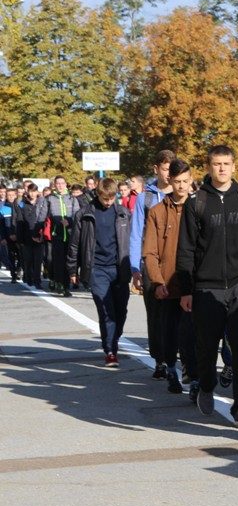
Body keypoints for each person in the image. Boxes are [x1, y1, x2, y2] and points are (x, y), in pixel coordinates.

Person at [176, 145, 238, 429]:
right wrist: (186, 289)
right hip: (206, 287)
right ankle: (206, 385)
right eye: (217, 164)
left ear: (234, 166)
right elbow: (186, 249)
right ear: (209, 167)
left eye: (226, 164)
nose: (222, 169)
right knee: (207, 347)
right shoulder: (196, 202)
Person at [142, 159, 196, 394]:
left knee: (192, 335)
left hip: (194, 284)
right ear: (170, 181)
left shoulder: (199, 207)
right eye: (177, 181)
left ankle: (193, 377)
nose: (181, 186)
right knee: (170, 333)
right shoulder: (157, 211)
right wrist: (157, 281)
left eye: (185, 181)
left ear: (191, 180)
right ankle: (172, 369)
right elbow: (150, 252)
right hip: (168, 284)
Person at [66, 178, 132, 367]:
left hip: (119, 269)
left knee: (121, 311)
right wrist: (72, 269)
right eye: (105, 199)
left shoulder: (123, 213)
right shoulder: (84, 214)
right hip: (97, 269)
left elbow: (132, 241)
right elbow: (74, 244)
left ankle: (113, 339)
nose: (108, 202)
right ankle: (110, 351)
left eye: (112, 198)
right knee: (106, 310)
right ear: (98, 194)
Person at [130, 150, 176, 380]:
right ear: (156, 169)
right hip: (151, 263)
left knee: (177, 314)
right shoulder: (145, 198)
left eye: (172, 169)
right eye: (165, 169)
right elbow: (136, 233)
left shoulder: (182, 195)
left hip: (176, 263)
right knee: (155, 315)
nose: (169, 174)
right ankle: (160, 359)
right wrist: (135, 267)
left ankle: (176, 356)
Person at [45, 176, 80, 297]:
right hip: (56, 234)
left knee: (68, 261)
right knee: (57, 261)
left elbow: (77, 214)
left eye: (62, 183)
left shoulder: (72, 199)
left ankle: (66, 286)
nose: (60, 185)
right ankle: (59, 283)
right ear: (55, 185)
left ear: (66, 184)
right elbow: (45, 215)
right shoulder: (50, 199)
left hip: (70, 235)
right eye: (58, 183)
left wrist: (69, 221)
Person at [16, 183, 47, 288]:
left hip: (39, 235)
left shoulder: (41, 203)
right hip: (27, 236)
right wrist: (20, 239)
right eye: (30, 191)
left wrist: (42, 234)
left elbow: (45, 219)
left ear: (37, 192)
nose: (32, 194)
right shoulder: (22, 204)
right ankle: (29, 278)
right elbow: (20, 221)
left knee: (38, 261)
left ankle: (37, 281)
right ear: (27, 192)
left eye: (34, 191)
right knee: (28, 260)